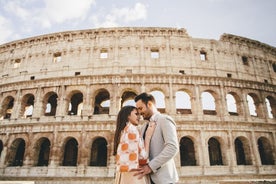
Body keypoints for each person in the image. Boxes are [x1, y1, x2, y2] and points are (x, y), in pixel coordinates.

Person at [134, 92, 179, 184]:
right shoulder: (144, 127)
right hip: (148, 180)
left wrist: (150, 167)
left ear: (149, 104)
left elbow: (172, 148)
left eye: (140, 108)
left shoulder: (165, 120)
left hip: (164, 179)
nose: (139, 112)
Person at [113, 105, 153, 184]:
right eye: (136, 114)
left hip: (123, 172)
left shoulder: (122, 130)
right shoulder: (132, 130)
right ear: (128, 115)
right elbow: (143, 156)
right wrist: (148, 137)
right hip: (134, 174)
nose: (139, 117)